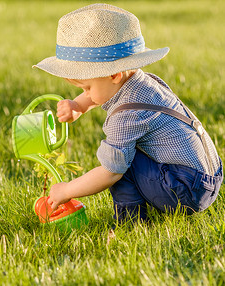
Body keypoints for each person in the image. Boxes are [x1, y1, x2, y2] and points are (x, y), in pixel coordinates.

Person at [33, 3, 223, 224]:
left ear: (114, 74)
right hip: (210, 176)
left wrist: (67, 190)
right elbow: (105, 93)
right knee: (124, 156)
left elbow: (109, 174)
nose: (86, 94)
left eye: (87, 88)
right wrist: (80, 105)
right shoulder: (143, 83)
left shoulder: (126, 116)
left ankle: (130, 223)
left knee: (118, 164)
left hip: (187, 190)